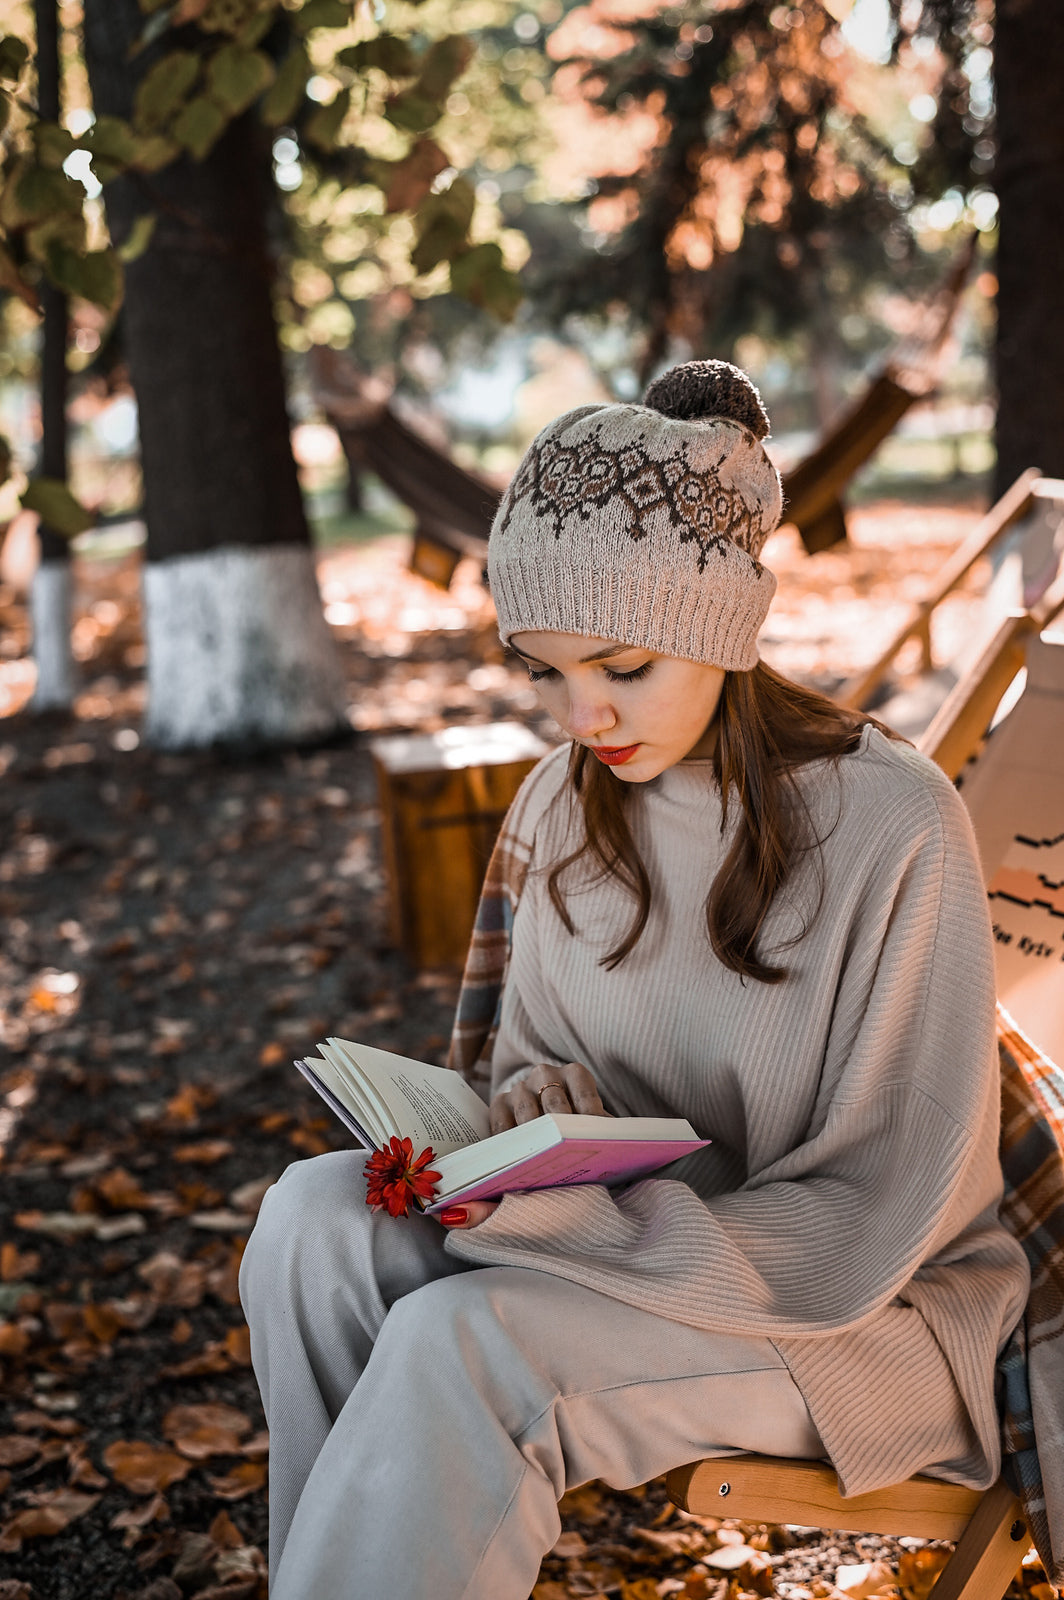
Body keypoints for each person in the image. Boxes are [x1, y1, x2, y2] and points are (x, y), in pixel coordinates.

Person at [239, 360, 1030, 1600]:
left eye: (619, 664)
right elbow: (532, 1072)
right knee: (310, 1222)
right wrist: (537, 1113)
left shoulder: (891, 824)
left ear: (714, 625)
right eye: (544, 671)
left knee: (466, 1343)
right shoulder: (565, 801)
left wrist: (585, 1218)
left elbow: (876, 1207)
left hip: (860, 1315)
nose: (581, 716)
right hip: (629, 1253)